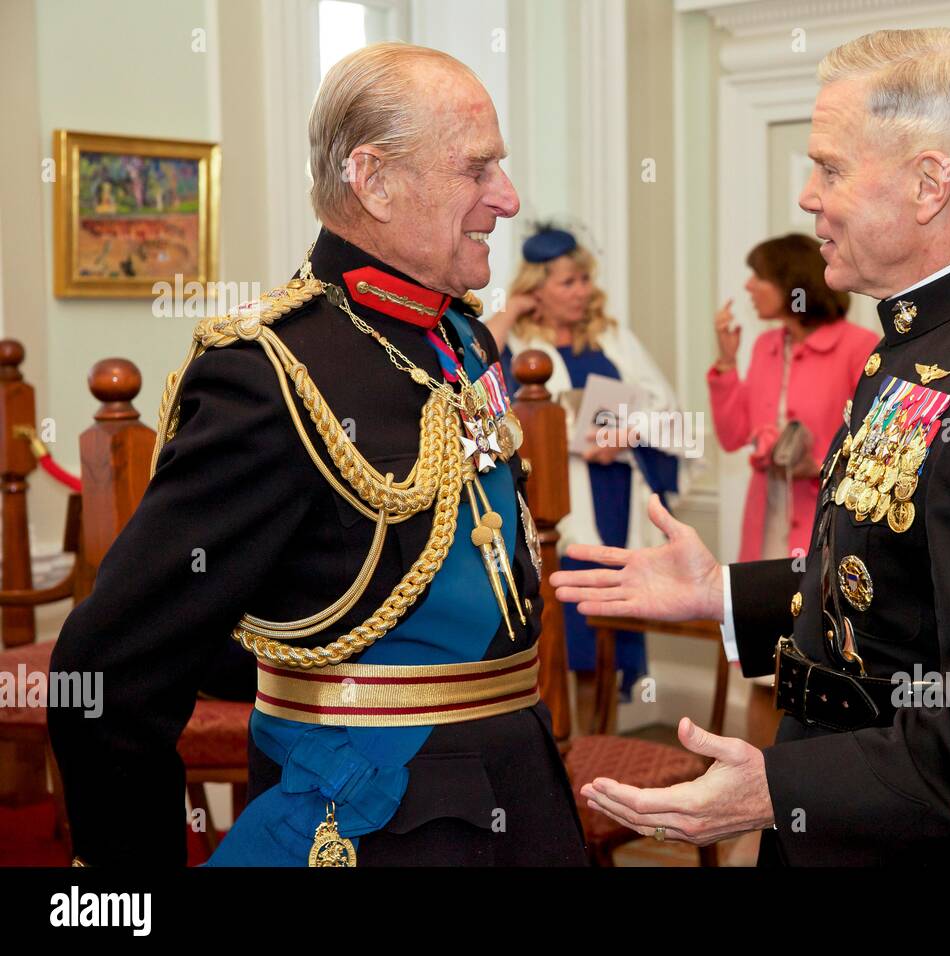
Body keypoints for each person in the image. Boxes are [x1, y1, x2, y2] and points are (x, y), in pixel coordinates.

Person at [552, 27, 950, 866]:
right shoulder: (919, 341)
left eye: (829, 167)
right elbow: (899, 582)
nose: (806, 196)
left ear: (930, 184)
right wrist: (724, 593)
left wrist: (778, 791)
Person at [48, 42, 587, 867]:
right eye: (477, 171)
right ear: (372, 180)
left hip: (518, 791)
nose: (506, 199)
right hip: (379, 826)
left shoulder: (461, 335)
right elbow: (106, 677)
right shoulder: (269, 375)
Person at [489, 227, 690, 728]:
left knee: (608, 614)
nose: (582, 291)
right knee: (561, 620)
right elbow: (471, 379)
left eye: (584, 280)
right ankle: (561, 739)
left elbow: (672, 414)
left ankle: (601, 741)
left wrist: (624, 434)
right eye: (568, 282)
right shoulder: (516, 342)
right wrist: (511, 311)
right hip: (551, 499)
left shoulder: (612, 338)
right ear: (538, 287)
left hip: (612, 495)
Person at [709, 233, 878, 562]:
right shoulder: (765, 346)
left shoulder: (858, 347)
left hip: (828, 517)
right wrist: (727, 362)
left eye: (760, 277)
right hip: (767, 517)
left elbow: (874, 447)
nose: (748, 287)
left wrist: (817, 467)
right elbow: (732, 437)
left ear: (792, 283)